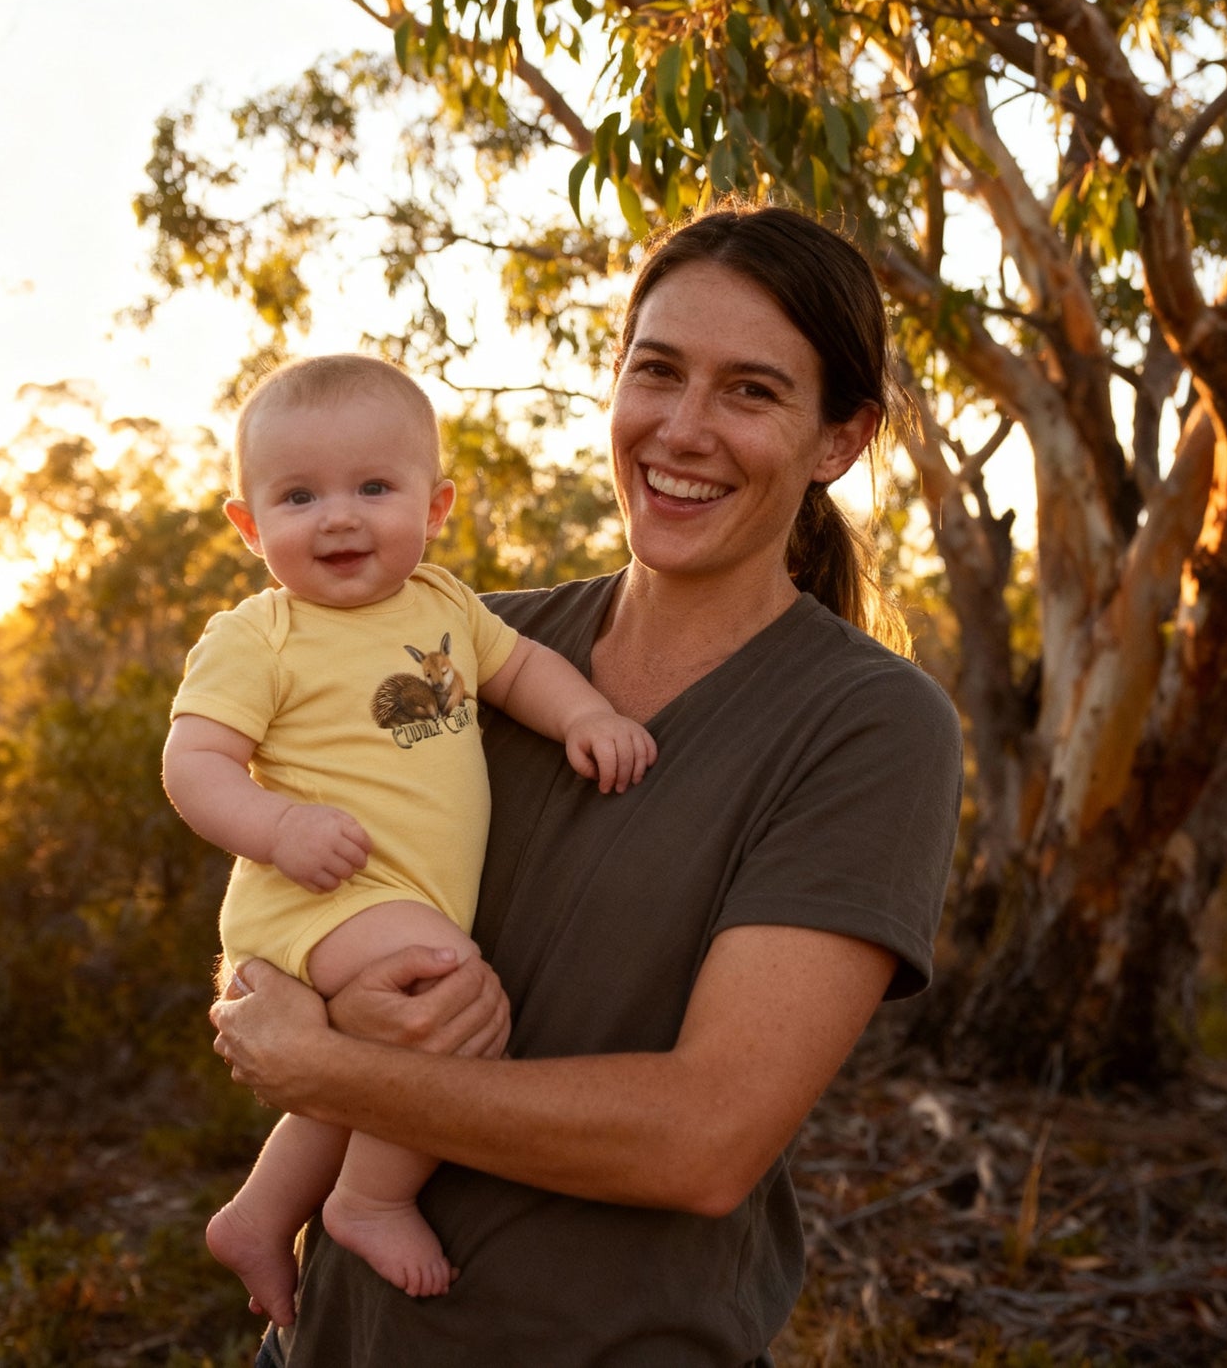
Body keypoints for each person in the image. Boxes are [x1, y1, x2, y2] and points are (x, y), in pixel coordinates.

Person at [209, 200, 965, 1366]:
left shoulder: (866, 724)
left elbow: (702, 1142)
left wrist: (335, 1063)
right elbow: (270, 915)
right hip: (328, 1343)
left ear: (838, 441)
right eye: (655, 372)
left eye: (751, 391)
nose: (682, 427)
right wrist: (315, 1000)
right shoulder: (459, 651)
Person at [163, 354, 656, 1324]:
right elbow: (193, 763)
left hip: (389, 897)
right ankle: (367, 1197)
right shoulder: (258, 633)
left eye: (373, 487)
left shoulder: (444, 607)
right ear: (248, 525)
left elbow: (523, 672)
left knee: (362, 1062)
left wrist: (586, 717)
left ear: (435, 508)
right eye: (299, 496)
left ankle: (259, 1213)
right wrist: (278, 825)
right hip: (312, 891)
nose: (339, 516)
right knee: (452, 1005)